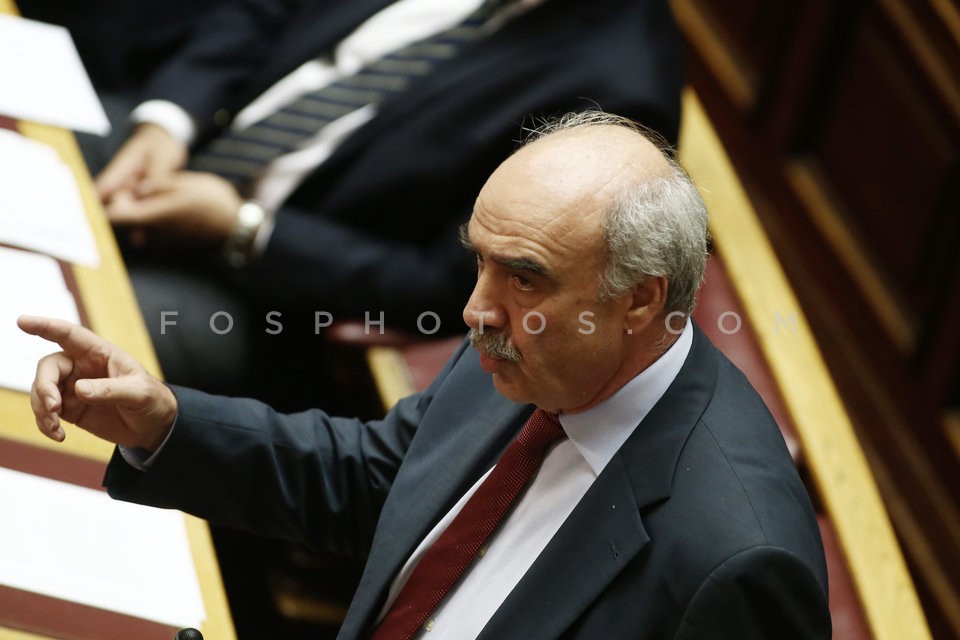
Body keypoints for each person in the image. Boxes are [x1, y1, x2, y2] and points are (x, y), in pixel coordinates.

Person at [20, 113, 830, 639]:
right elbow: (380, 482)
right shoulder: (530, 350)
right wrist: (166, 423)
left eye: (524, 277)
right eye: (480, 261)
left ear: (641, 300)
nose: (476, 309)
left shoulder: (733, 565)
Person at [82, 0, 686, 401]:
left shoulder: (618, 91)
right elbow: (262, 11)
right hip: (185, 140)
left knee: (65, 330)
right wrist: (168, 123)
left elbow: (446, 282)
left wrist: (240, 227)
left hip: (270, 293)